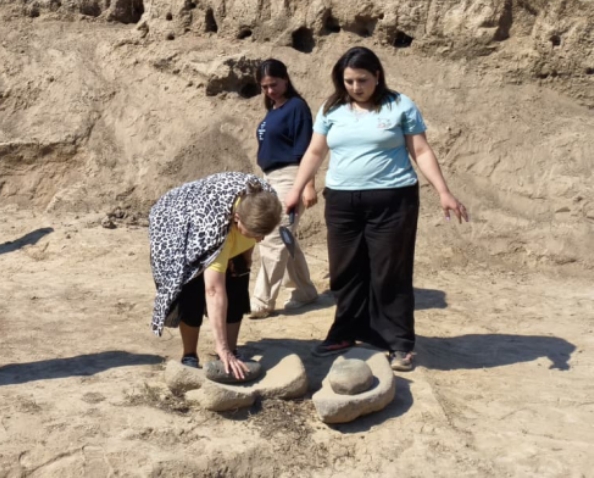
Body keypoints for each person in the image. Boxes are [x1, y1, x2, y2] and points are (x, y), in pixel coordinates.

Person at [282, 47, 468, 371]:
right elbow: (314, 152)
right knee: (345, 270)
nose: (356, 87)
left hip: (393, 201)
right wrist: (296, 190)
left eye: (362, 80)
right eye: (349, 81)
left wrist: (444, 192)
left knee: (389, 272)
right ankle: (345, 332)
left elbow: (421, 150)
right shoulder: (332, 108)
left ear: (377, 76)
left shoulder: (400, 105)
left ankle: (398, 342)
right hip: (342, 203)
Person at [149, 173, 281, 380]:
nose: (260, 239)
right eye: (255, 234)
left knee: (237, 283)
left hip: (221, 217)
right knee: (192, 290)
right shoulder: (213, 229)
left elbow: (256, 231)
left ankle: (231, 349)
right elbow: (213, 291)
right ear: (237, 220)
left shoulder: (267, 201)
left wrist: (246, 255)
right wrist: (222, 348)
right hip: (178, 221)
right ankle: (190, 355)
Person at [249, 59, 319, 318]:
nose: (270, 91)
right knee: (285, 238)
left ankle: (261, 301)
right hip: (269, 179)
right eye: (264, 87)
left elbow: (307, 148)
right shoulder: (273, 111)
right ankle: (305, 291)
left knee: (273, 237)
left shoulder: (296, 107)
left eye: (274, 84)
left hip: (292, 177)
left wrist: (308, 185)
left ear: (285, 79)